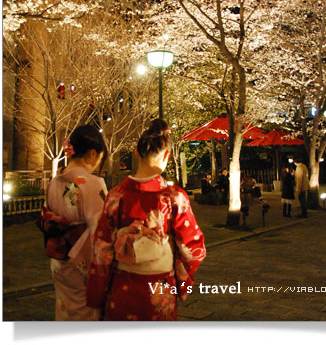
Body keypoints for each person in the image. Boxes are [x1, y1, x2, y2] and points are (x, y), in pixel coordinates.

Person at [86, 118, 206, 321]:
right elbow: (193, 249)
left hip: (121, 288)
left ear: (136, 153)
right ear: (167, 155)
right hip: (159, 290)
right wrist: (180, 278)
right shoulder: (174, 197)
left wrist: (96, 294)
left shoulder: (115, 196)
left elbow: (101, 251)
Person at [36, 125, 108, 321]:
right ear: (92, 153)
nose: (97, 165)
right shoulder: (92, 184)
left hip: (60, 262)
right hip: (83, 264)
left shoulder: (53, 183)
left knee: (66, 310)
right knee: (87, 314)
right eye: (99, 159)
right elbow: (102, 231)